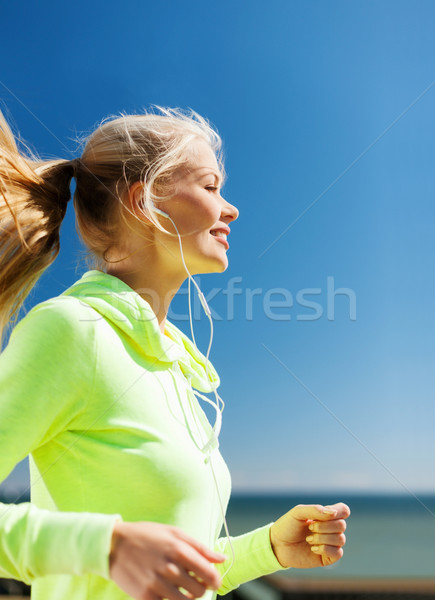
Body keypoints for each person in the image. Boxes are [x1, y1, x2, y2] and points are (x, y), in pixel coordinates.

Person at [0, 106, 350, 600]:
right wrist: (106, 547)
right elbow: (123, 554)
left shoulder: (169, 361)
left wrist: (270, 548)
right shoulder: (72, 331)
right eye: (210, 187)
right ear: (144, 202)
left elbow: (175, 571)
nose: (230, 209)